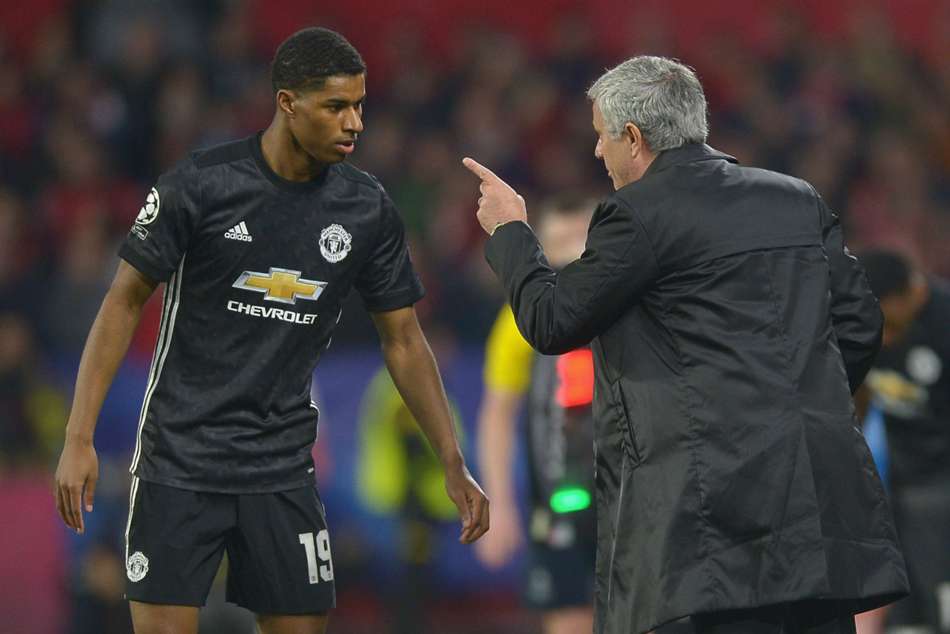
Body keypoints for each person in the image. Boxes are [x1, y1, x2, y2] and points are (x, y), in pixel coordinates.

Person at [53, 27, 489, 634]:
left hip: (282, 469)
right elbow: (122, 303)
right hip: (180, 461)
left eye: (360, 105)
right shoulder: (201, 184)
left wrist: (452, 459)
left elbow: (404, 340)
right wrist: (79, 436)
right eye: (336, 106)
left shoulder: (366, 209)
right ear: (288, 103)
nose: (355, 123)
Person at [463, 55, 908, 634]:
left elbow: (553, 323)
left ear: (633, 137)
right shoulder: (796, 198)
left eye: (601, 136)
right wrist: (795, 400)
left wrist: (511, 232)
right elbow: (860, 322)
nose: (597, 151)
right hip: (815, 507)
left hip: (709, 519)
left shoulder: (637, 215)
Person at [475, 196, 596, 634]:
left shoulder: (633, 301)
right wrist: (499, 505)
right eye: (559, 243)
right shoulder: (519, 317)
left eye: (581, 239)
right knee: (569, 622)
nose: (571, 254)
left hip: (634, 500)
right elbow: (497, 414)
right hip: (558, 499)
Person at [859, 249, 950, 634]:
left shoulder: (943, 322)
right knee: (905, 607)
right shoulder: (864, 326)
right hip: (900, 485)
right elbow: (859, 395)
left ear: (902, 296)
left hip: (942, 487)